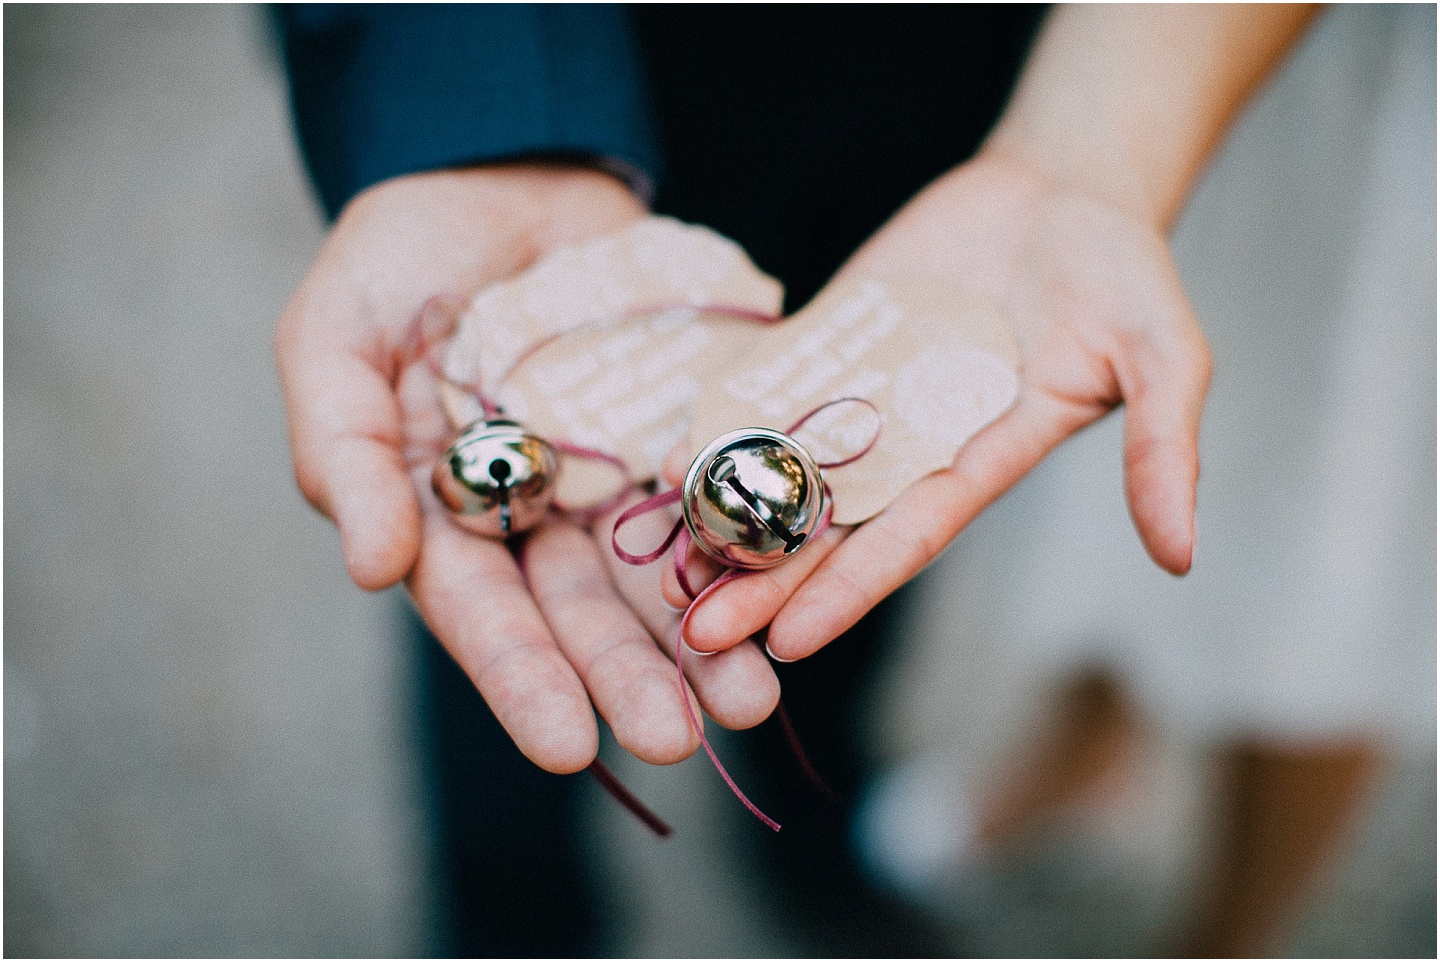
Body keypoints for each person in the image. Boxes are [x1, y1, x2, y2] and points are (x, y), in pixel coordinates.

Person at [274, 5, 1321, 954]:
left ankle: (815, 832)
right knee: (520, 642)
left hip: (962, 74)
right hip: (607, 56)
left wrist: (1087, 151)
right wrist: (476, 118)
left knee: (858, 552)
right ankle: (515, 922)